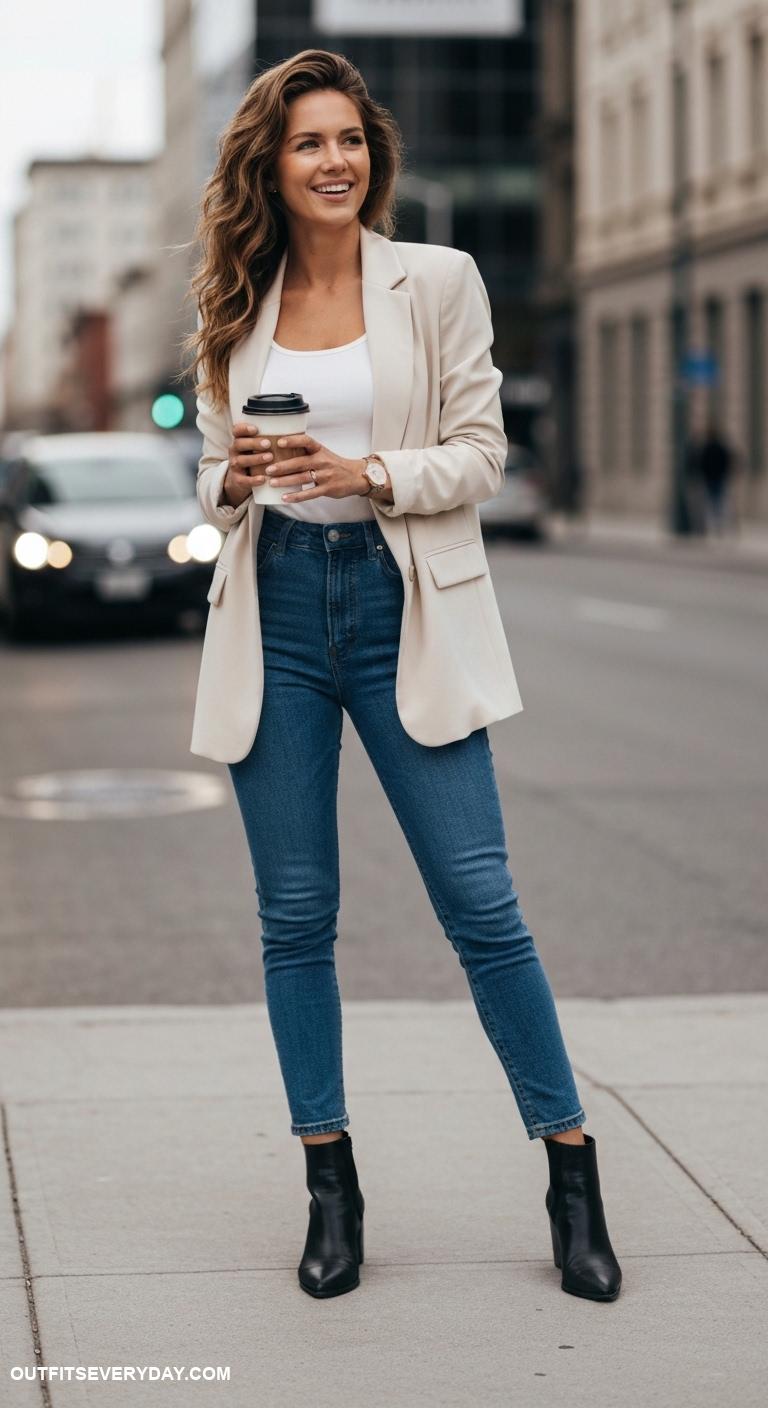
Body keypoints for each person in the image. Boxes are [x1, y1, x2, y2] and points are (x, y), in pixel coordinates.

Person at [183, 49, 621, 1304]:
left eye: (350, 140)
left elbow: (481, 452)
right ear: (270, 165)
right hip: (275, 605)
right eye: (308, 143)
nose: (334, 161)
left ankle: (572, 1170)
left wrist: (367, 472)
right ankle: (330, 1184)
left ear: (372, 155)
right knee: (294, 916)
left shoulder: (436, 279)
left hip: (401, 601)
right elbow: (210, 474)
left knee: (481, 903)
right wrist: (237, 479)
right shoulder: (236, 299)